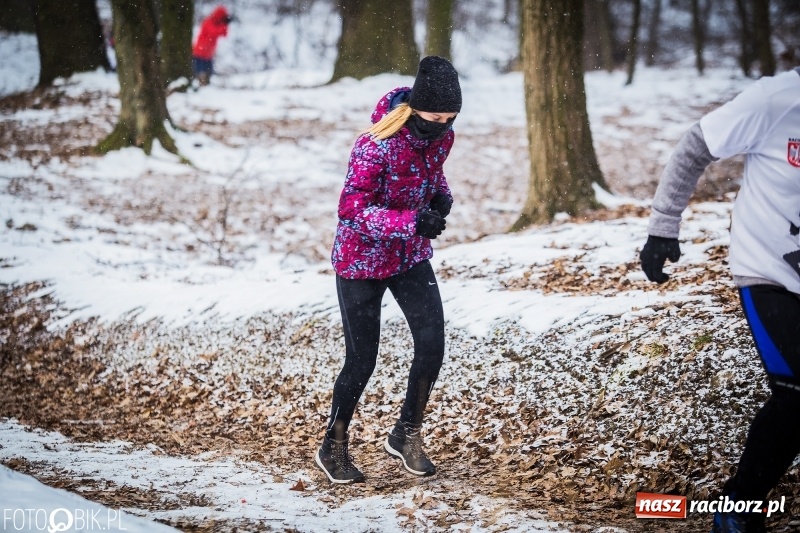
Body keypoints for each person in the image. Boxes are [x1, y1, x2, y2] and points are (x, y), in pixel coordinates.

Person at [639, 66, 800, 533]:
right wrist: (663, 226)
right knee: (795, 390)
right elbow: (695, 146)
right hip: (768, 270)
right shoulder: (777, 100)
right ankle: (737, 508)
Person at [314, 56, 461, 484]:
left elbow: (433, 176)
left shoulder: (442, 137)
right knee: (362, 360)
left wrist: (441, 199)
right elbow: (352, 210)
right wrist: (411, 222)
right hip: (360, 261)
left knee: (432, 345)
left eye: (450, 119)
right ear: (415, 109)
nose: (443, 126)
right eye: (435, 118)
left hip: (409, 257)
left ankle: (405, 433)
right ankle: (333, 445)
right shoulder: (374, 145)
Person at [192, 5, 233, 86]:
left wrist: (226, 24)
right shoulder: (208, 22)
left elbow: (224, 34)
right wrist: (224, 24)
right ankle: (200, 85)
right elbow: (213, 32)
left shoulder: (218, 24)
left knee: (208, 73)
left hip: (208, 53)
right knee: (200, 72)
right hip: (200, 52)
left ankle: (205, 85)